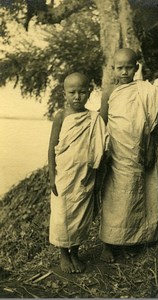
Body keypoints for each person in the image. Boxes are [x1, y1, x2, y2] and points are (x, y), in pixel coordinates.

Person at [99, 48, 158, 262]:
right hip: (116, 153)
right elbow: (102, 122)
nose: (124, 72)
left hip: (140, 150)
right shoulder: (110, 92)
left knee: (137, 194)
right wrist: (103, 150)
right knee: (113, 196)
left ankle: (133, 239)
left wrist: (152, 148)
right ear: (113, 69)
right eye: (120, 68)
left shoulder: (146, 91)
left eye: (129, 67)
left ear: (136, 67)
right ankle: (109, 243)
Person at [48, 72, 108, 273]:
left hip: (85, 176)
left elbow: (101, 149)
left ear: (89, 92)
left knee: (80, 216)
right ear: (64, 93)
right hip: (64, 175)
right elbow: (52, 148)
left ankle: (75, 252)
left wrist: (97, 178)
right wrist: (51, 175)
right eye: (72, 92)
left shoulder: (93, 119)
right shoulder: (61, 116)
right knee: (62, 215)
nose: (77, 96)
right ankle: (64, 255)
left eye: (82, 92)